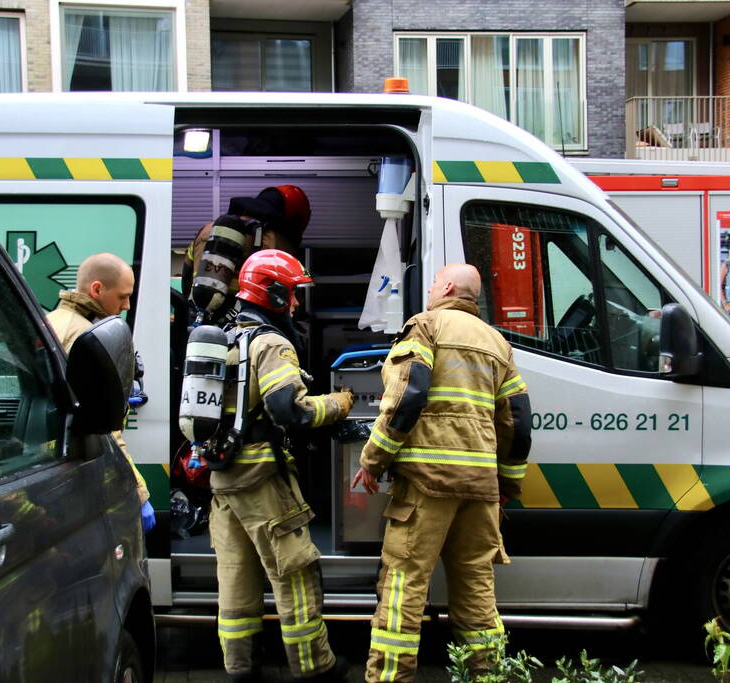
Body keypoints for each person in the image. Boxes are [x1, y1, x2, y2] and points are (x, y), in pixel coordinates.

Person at [353, 263, 532, 682]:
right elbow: (518, 422)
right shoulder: (497, 343)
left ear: (448, 287)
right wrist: (507, 482)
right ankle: (485, 675)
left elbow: (406, 397)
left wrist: (372, 461)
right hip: (481, 489)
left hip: (427, 485)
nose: (431, 287)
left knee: (404, 586)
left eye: (434, 281)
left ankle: (389, 678)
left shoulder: (426, 326)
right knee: (476, 590)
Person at [208, 249, 353, 682]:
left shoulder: (225, 336)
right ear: (271, 294)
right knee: (295, 574)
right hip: (263, 482)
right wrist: (339, 403)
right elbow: (291, 411)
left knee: (235, 580)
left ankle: (239, 669)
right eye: (290, 296)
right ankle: (315, 668)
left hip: (224, 479)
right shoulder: (271, 343)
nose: (294, 305)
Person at [46, 252, 154, 532]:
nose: (127, 305)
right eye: (122, 296)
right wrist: (139, 493)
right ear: (97, 289)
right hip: (76, 472)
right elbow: (106, 430)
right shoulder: (85, 337)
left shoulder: (53, 320)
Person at [182, 185, 311, 326]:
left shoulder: (208, 229)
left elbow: (186, 276)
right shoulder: (275, 239)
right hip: (241, 325)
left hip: (197, 319)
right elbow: (283, 291)